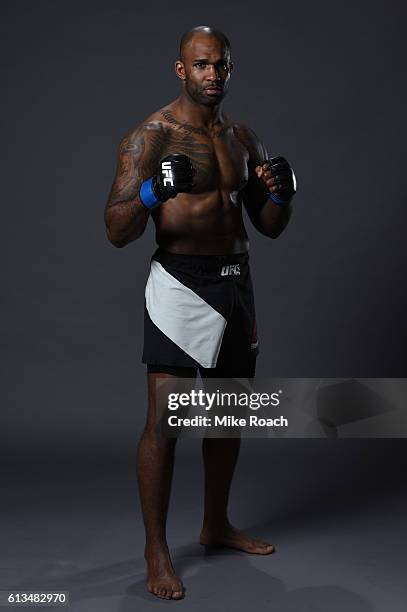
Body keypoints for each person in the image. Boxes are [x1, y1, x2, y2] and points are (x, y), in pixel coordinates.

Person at [104, 25, 296, 600]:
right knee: (166, 423)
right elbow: (115, 230)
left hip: (237, 282)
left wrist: (282, 194)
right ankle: (156, 550)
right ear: (181, 69)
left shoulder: (242, 137)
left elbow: (269, 227)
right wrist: (150, 194)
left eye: (221, 65)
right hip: (181, 285)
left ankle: (216, 524)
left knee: (228, 415)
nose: (212, 74)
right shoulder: (151, 136)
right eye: (202, 65)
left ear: (230, 71)